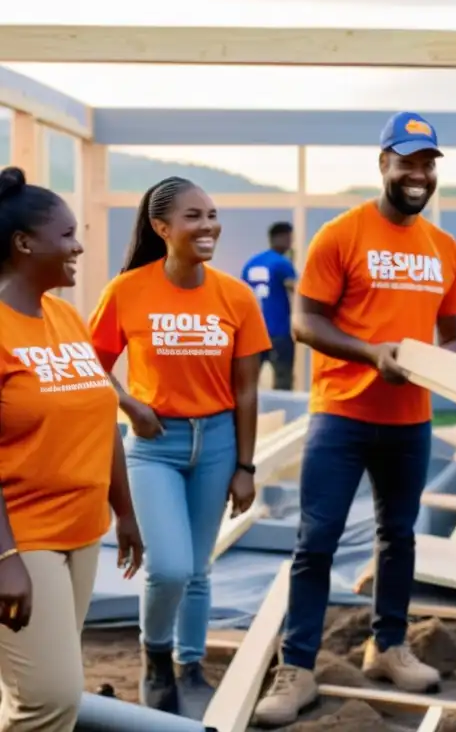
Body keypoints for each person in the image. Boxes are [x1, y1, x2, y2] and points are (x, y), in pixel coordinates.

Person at [252, 111, 456, 727]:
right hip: (342, 416)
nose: (419, 174)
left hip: (410, 419)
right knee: (315, 542)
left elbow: (452, 335)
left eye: (429, 163)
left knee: (397, 537)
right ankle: (296, 668)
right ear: (383, 164)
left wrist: (437, 365)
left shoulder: (444, 247)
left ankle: (388, 647)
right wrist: (373, 354)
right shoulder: (341, 235)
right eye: (408, 161)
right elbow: (305, 324)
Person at [88, 176, 271, 718]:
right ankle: (155, 656)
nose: (208, 225)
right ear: (161, 228)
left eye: (212, 214)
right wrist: (127, 403)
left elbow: (246, 390)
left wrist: (245, 465)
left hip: (216, 443)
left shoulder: (235, 296)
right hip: (153, 445)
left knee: (198, 569)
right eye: (194, 216)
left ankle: (191, 668)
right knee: (167, 567)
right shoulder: (126, 291)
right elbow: (92, 367)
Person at [0, 166, 143, 730]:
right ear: (24, 243)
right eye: (66, 235)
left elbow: (100, 415)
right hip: (21, 539)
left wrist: (124, 510)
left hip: (82, 534)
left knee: (38, 688)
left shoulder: (67, 317)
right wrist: (5, 557)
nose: (78, 245)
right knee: (49, 699)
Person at [242, 222, 298, 390]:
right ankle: (283, 413)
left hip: (253, 331)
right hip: (278, 330)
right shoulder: (282, 263)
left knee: (249, 380)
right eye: (289, 238)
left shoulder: (251, 263)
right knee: (283, 378)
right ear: (281, 237)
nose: (290, 243)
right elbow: (295, 288)